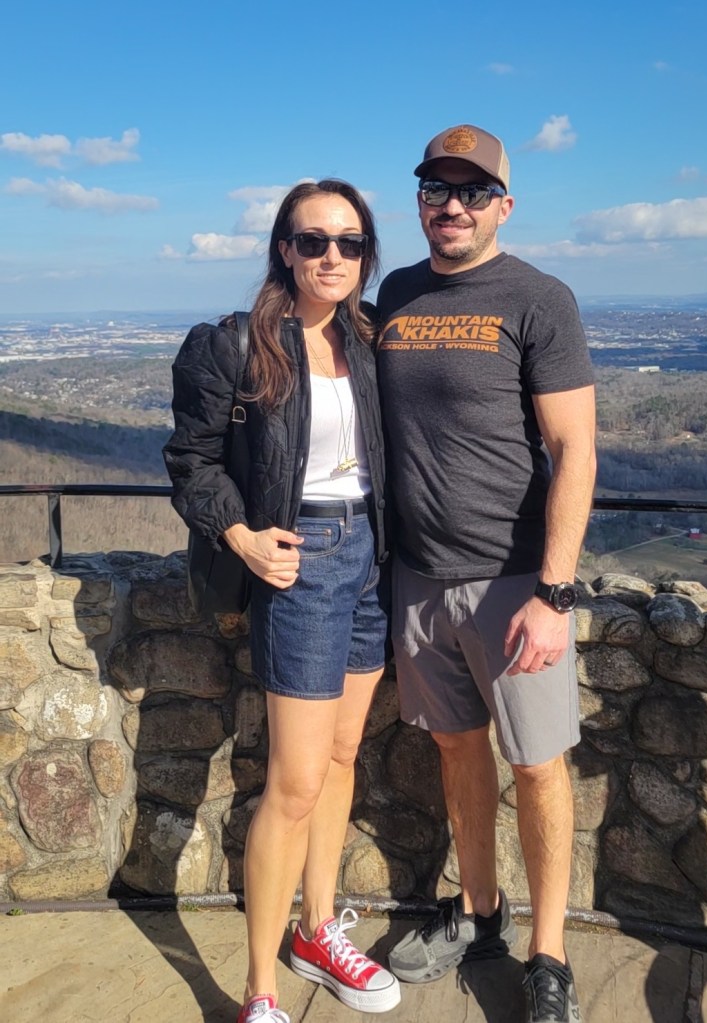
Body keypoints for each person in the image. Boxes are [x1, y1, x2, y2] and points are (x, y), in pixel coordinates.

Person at [163, 179, 400, 1023]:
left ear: (366, 254)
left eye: (349, 242)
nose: (332, 255)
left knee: (340, 757)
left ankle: (316, 929)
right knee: (294, 782)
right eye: (314, 240)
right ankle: (260, 990)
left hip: (373, 556)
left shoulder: (366, 337)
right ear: (284, 249)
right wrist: (242, 536)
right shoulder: (236, 344)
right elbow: (191, 461)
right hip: (298, 561)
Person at [376, 125, 596, 1023]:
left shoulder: (540, 298)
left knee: (538, 766)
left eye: (472, 191)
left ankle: (550, 955)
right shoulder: (395, 292)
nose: (453, 206)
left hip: (512, 581)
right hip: (418, 577)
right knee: (456, 748)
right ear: (420, 200)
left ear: (504, 204)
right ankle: (479, 911)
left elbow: (574, 449)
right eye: (437, 188)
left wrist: (554, 592)